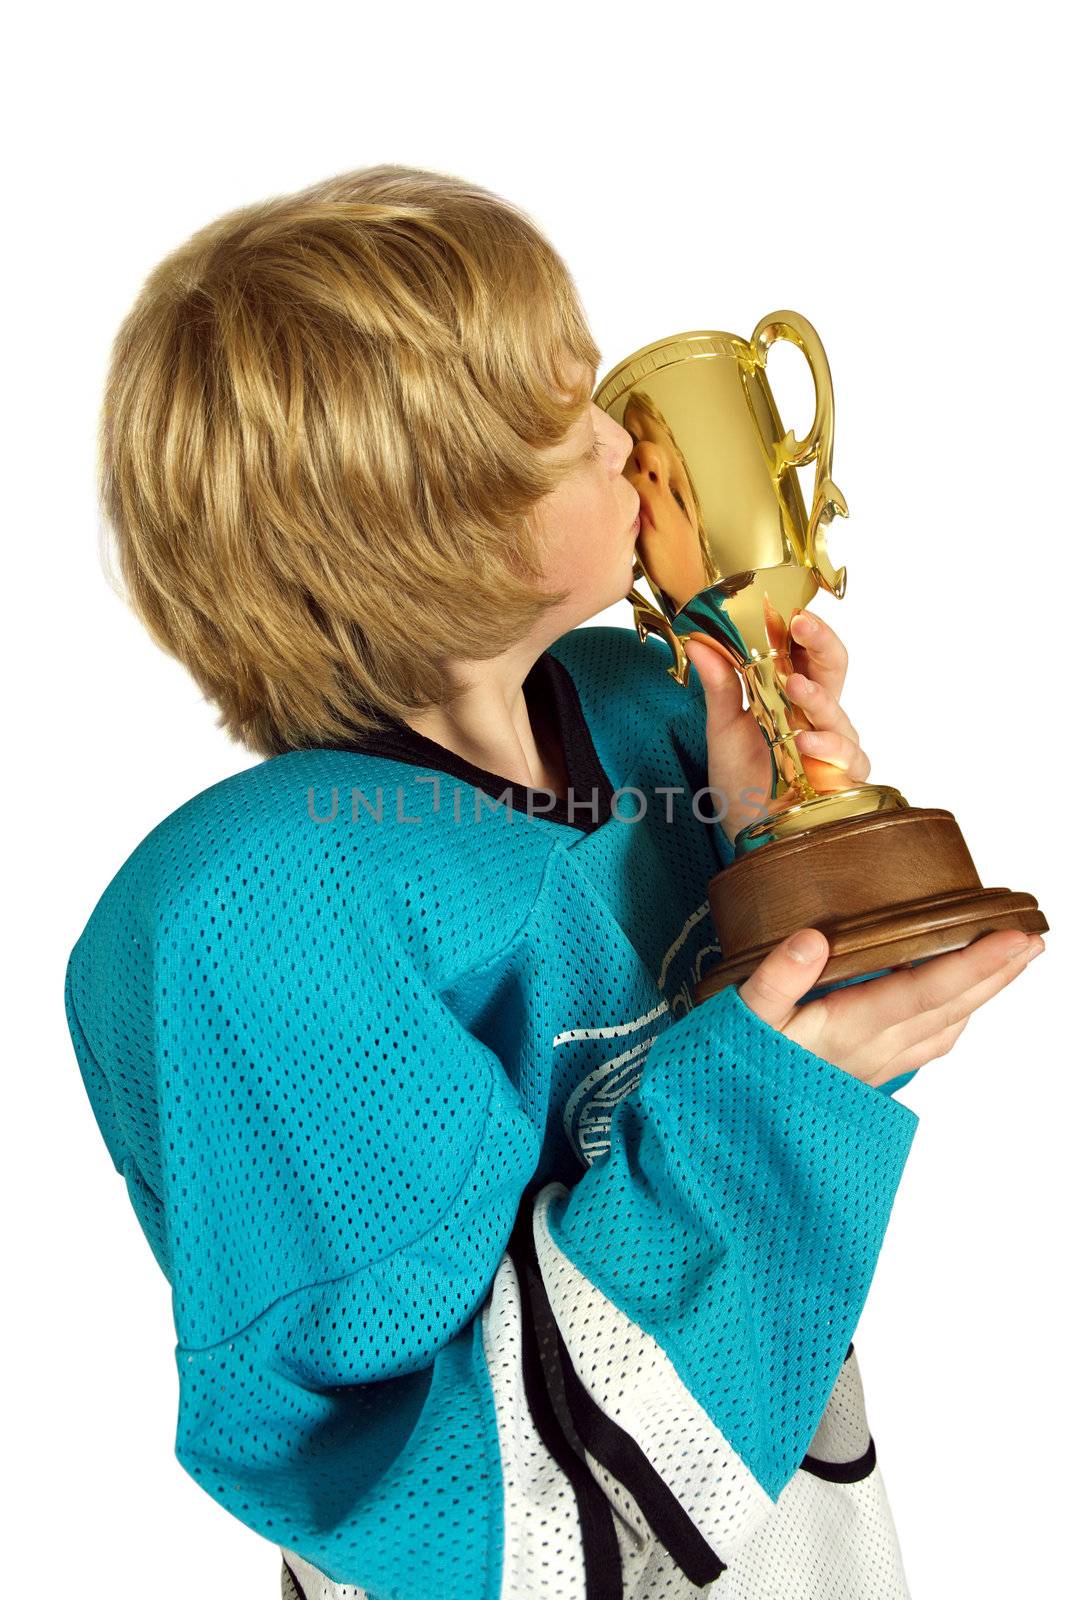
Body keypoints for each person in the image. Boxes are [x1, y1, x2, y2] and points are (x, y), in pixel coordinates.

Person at [63, 164, 1044, 1600]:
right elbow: (430, 1486)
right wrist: (784, 1092)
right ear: (418, 523)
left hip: (789, 1517)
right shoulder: (261, 915)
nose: (619, 443)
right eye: (558, 423)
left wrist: (777, 848)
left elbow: (729, 1085)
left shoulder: (642, 705)